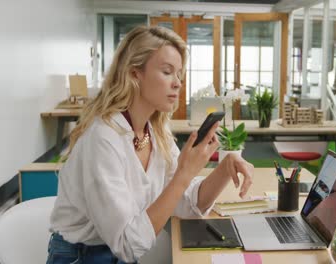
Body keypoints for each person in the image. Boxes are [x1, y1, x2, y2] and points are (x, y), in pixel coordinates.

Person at [46, 26, 254, 264]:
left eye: (179, 75)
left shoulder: (155, 131)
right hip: (82, 257)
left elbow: (185, 205)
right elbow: (127, 245)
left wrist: (224, 169)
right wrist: (184, 174)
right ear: (135, 74)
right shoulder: (103, 138)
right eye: (167, 72)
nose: (177, 83)